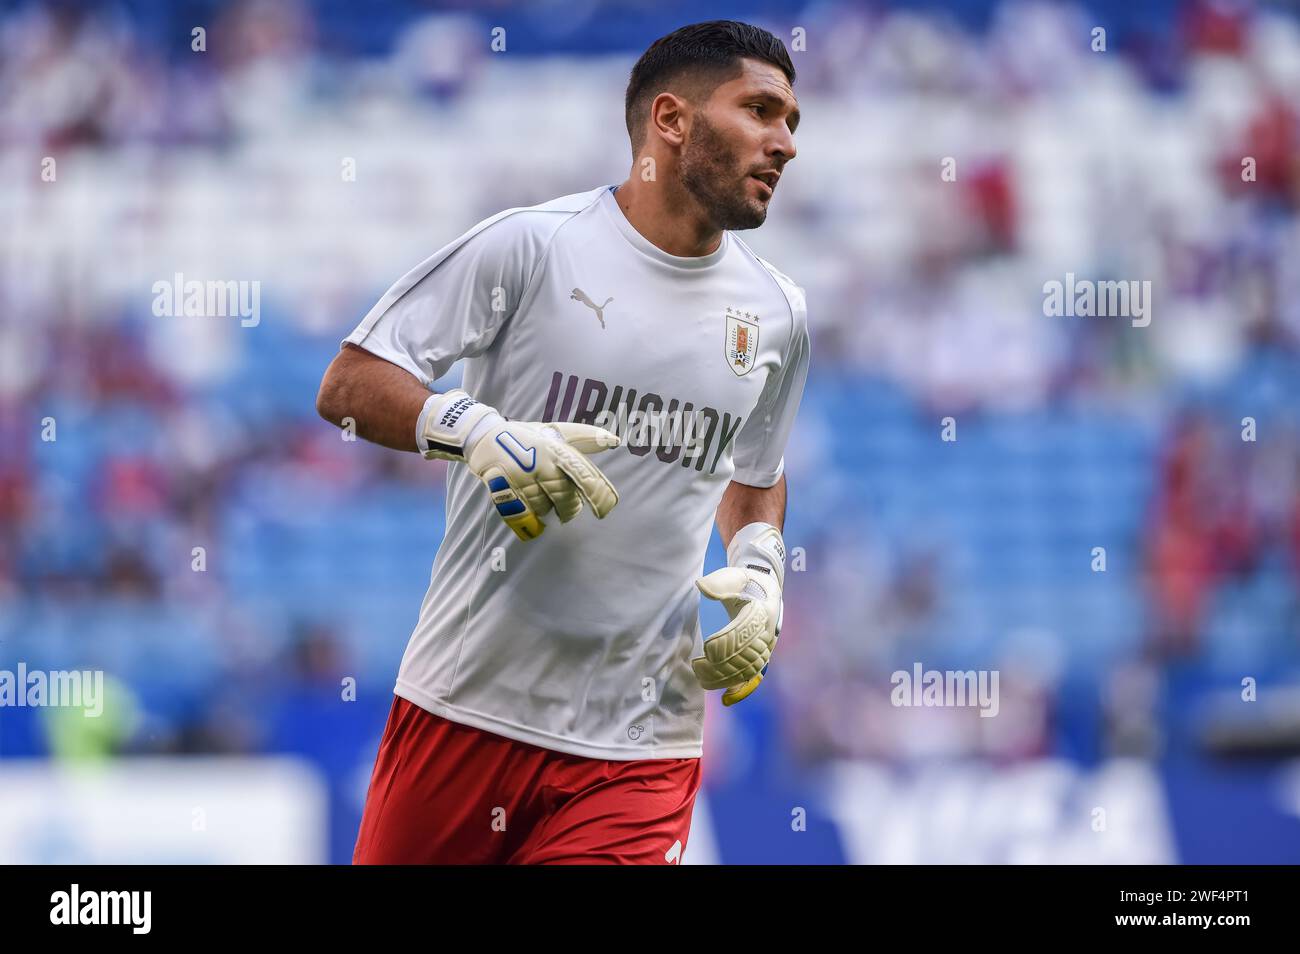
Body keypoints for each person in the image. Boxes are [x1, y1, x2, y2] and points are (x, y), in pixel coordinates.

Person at [317, 19, 809, 864]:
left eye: (792, 122)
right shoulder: (533, 246)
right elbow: (350, 385)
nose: (785, 144)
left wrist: (762, 563)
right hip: (465, 709)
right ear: (671, 120)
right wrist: (470, 431)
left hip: (640, 746)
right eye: (761, 110)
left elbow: (755, 470)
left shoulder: (778, 314)